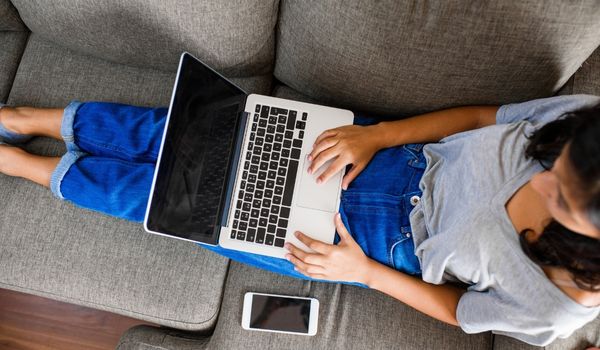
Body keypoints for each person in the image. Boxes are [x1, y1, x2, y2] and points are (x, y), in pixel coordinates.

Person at [0, 94, 599, 346]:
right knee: (182, 134)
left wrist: (361, 272)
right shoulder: (585, 116)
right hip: (385, 156)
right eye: (559, 161)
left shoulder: (557, 309)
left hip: (368, 244)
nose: (540, 180)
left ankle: (25, 167)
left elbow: (457, 310)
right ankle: (28, 118)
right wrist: (375, 135)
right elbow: (476, 115)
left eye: (562, 200)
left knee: (172, 203)